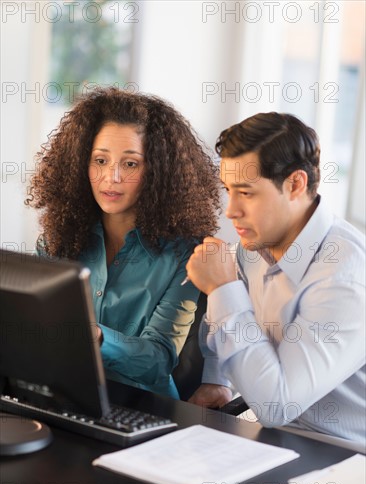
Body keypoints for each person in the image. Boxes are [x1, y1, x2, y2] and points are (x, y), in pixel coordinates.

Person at [26, 86, 221, 399]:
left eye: (130, 164)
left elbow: (157, 361)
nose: (111, 178)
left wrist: (96, 337)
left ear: (158, 172)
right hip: (62, 396)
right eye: (100, 160)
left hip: (144, 408)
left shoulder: (186, 254)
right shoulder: (55, 240)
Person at [186, 112, 365, 444]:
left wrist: (222, 287)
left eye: (246, 193)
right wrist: (217, 379)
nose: (231, 210)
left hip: (342, 457)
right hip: (270, 438)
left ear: (295, 184)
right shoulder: (255, 244)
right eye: (228, 190)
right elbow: (226, 325)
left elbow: (276, 404)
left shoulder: (345, 279)